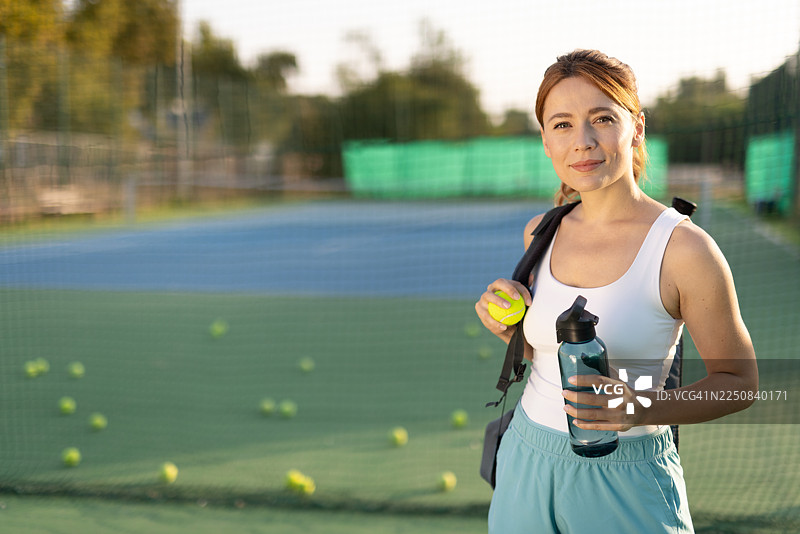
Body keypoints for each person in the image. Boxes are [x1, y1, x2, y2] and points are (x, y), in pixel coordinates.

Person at [474, 49, 757, 534]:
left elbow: (741, 383)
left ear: (637, 127)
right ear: (545, 139)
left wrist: (638, 407)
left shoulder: (684, 249)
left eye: (602, 118)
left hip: (624, 477)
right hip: (524, 458)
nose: (582, 142)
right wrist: (508, 330)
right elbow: (551, 357)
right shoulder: (539, 232)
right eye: (561, 124)